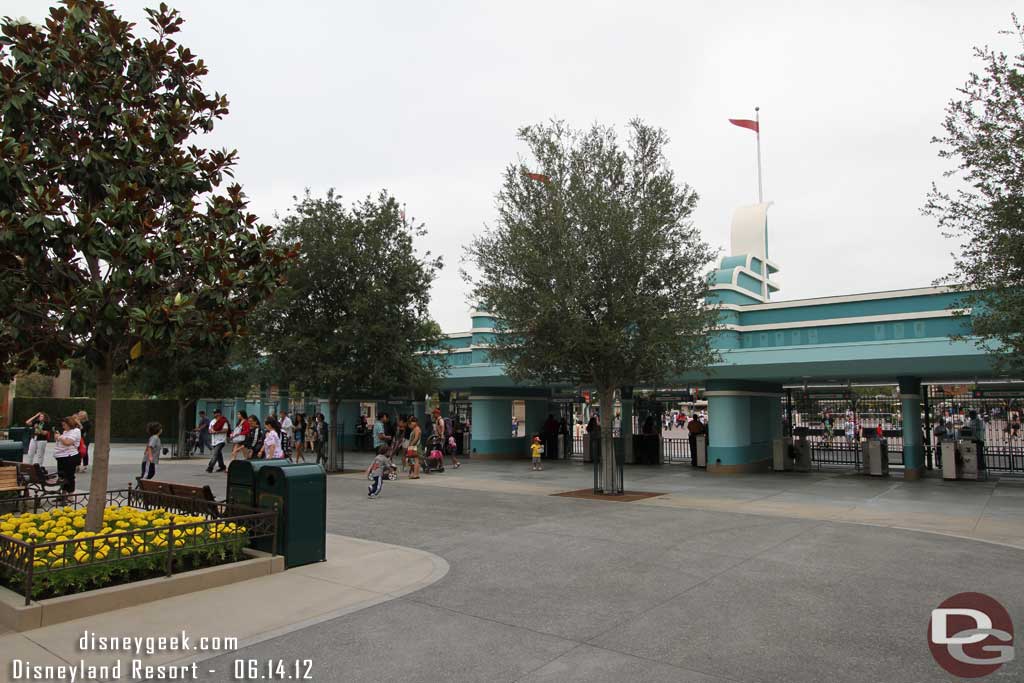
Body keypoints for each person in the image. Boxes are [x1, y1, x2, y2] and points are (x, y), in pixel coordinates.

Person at [53, 415, 81, 493]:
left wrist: (59, 437)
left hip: (70, 457)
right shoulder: (65, 432)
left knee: (69, 476)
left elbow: (68, 442)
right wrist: (58, 437)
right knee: (61, 476)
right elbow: (62, 441)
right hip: (61, 456)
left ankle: (70, 495)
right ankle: (63, 493)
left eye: (64, 425)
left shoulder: (76, 431)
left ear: (70, 424)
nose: (63, 427)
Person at [206, 408, 230, 473]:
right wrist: (211, 431)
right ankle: (222, 466)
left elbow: (226, 429)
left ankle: (210, 467)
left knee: (215, 453)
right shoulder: (212, 421)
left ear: (219, 413)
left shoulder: (223, 421)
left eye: (216, 413)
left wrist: (217, 432)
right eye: (214, 413)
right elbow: (209, 429)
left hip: (221, 440)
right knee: (218, 454)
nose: (215, 414)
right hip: (214, 440)